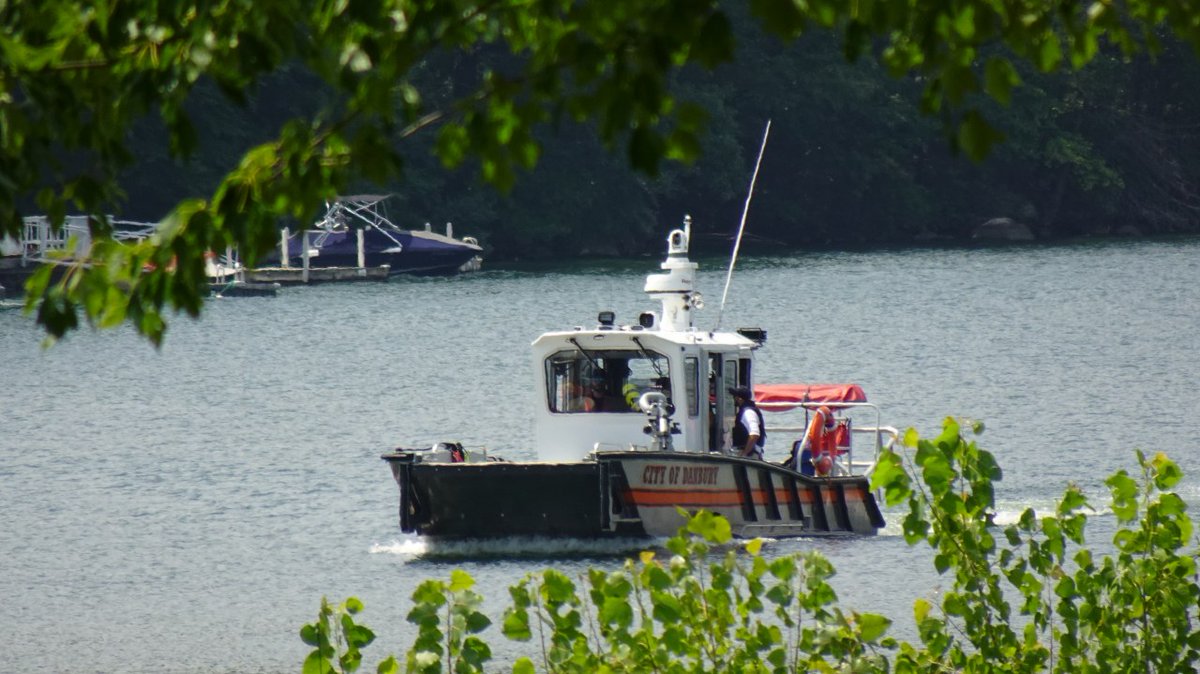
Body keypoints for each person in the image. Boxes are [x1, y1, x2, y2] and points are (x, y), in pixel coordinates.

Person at [729, 386, 766, 459]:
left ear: (739, 399)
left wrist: (744, 454)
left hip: (750, 456)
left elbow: (754, 434)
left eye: (735, 396)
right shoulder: (747, 410)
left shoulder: (748, 412)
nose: (734, 399)